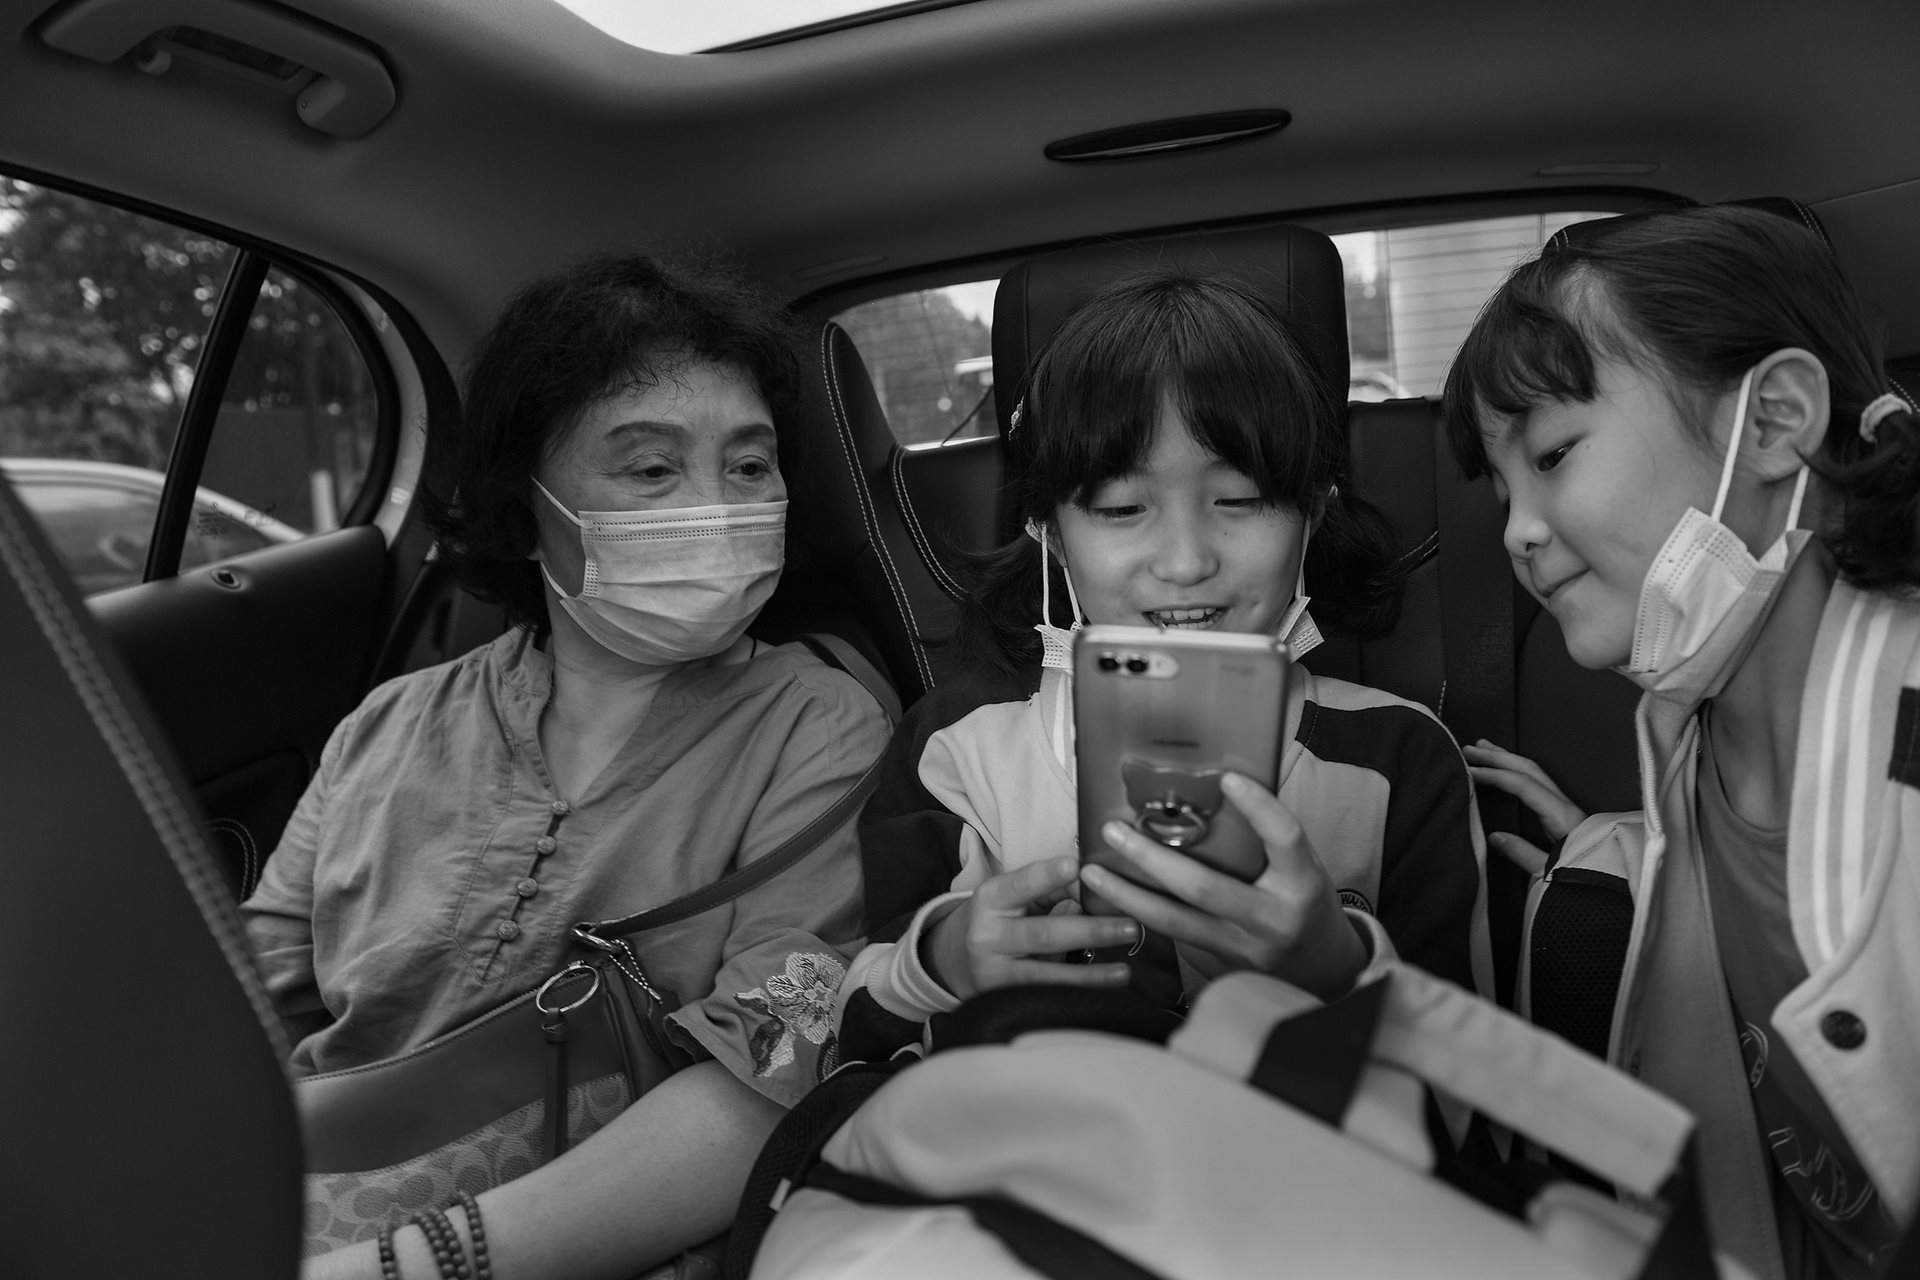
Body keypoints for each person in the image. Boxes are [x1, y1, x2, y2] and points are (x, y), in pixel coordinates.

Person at [243, 254, 890, 1280]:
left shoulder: (820, 727)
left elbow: (776, 1064)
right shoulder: (387, 723)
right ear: (525, 496)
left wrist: (417, 1264)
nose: (716, 507)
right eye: (649, 467)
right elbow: (245, 1005)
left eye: (750, 464)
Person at [836, 269, 1491, 1058]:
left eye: (1240, 500)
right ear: (1049, 530)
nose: (1184, 563)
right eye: (1121, 509)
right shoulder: (955, 752)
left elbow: (1466, 1107)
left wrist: (1336, 968)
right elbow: (857, 1049)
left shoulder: (1401, 760)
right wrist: (938, 962)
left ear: (1312, 514)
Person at [1442, 204, 1918, 1280]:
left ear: (1774, 418)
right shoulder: (1689, 761)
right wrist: (1634, 844)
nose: (1516, 531)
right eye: (1502, 486)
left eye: (1554, 452)